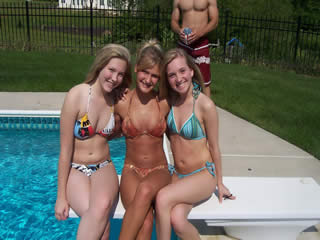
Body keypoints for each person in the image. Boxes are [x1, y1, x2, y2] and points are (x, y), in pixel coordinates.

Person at [156, 48, 235, 240]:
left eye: (182, 71)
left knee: (162, 198)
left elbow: (215, 147)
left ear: (192, 71)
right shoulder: (169, 103)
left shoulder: (205, 105)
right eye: (172, 75)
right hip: (179, 176)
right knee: (177, 220)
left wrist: (219, 182)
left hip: (202, 175)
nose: (179, 78)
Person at [54, 44, 132, 240]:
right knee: (102, 224)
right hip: (75, 168)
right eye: (111, 70)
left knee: (103, 206)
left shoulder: (116, 101)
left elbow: (120, 132)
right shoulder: (77, 95)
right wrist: (61, 196)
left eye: (120, 74)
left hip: (104, 166)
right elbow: (65, 150)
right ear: (100, 66)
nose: (114, 78)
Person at [115, 40, 171, 240]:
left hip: (159, 170)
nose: (148, 79)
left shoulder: (163, 102)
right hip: (131, 169)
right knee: (146, 223)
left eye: (154, 75)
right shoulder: (122, 102)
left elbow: (190, 94)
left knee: (146, 188)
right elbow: (104, 128)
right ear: (136, 68)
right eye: (145, 72)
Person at [171, 0, 219, 98]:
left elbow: (215, 21)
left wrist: (199, 33)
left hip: (201, 44)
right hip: (184, 44)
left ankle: (206, 112)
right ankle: (178, 110)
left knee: (204, 83)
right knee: (178, 80)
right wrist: (179, 30)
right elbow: (173, 21)